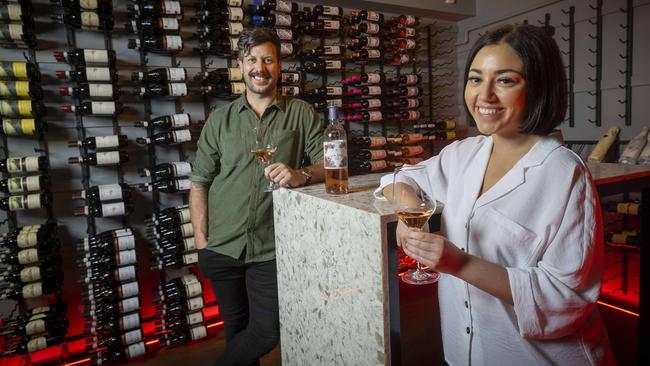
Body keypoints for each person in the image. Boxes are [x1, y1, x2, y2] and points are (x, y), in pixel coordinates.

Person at [376, 24, 615, 365]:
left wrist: (459, 263)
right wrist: (409, 215)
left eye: (504, 80)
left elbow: (567, 299)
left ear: (537, 87)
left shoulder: (565, 174)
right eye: (475, 79)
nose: (484, 95)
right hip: (465, 352)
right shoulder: (465, 154)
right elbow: (399, 178)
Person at [189, 28, 324, 366]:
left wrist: (301, 174)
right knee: (236, 332)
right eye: (252, 59)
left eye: (267, 59)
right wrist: (202, 242)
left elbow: (331, 163)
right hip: (222, 244)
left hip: (271, 247)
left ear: (279, 67)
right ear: (240, 65)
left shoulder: (301, 113)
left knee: (265, 331)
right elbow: (199, 183)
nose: (259, 67)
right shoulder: (219, 121)